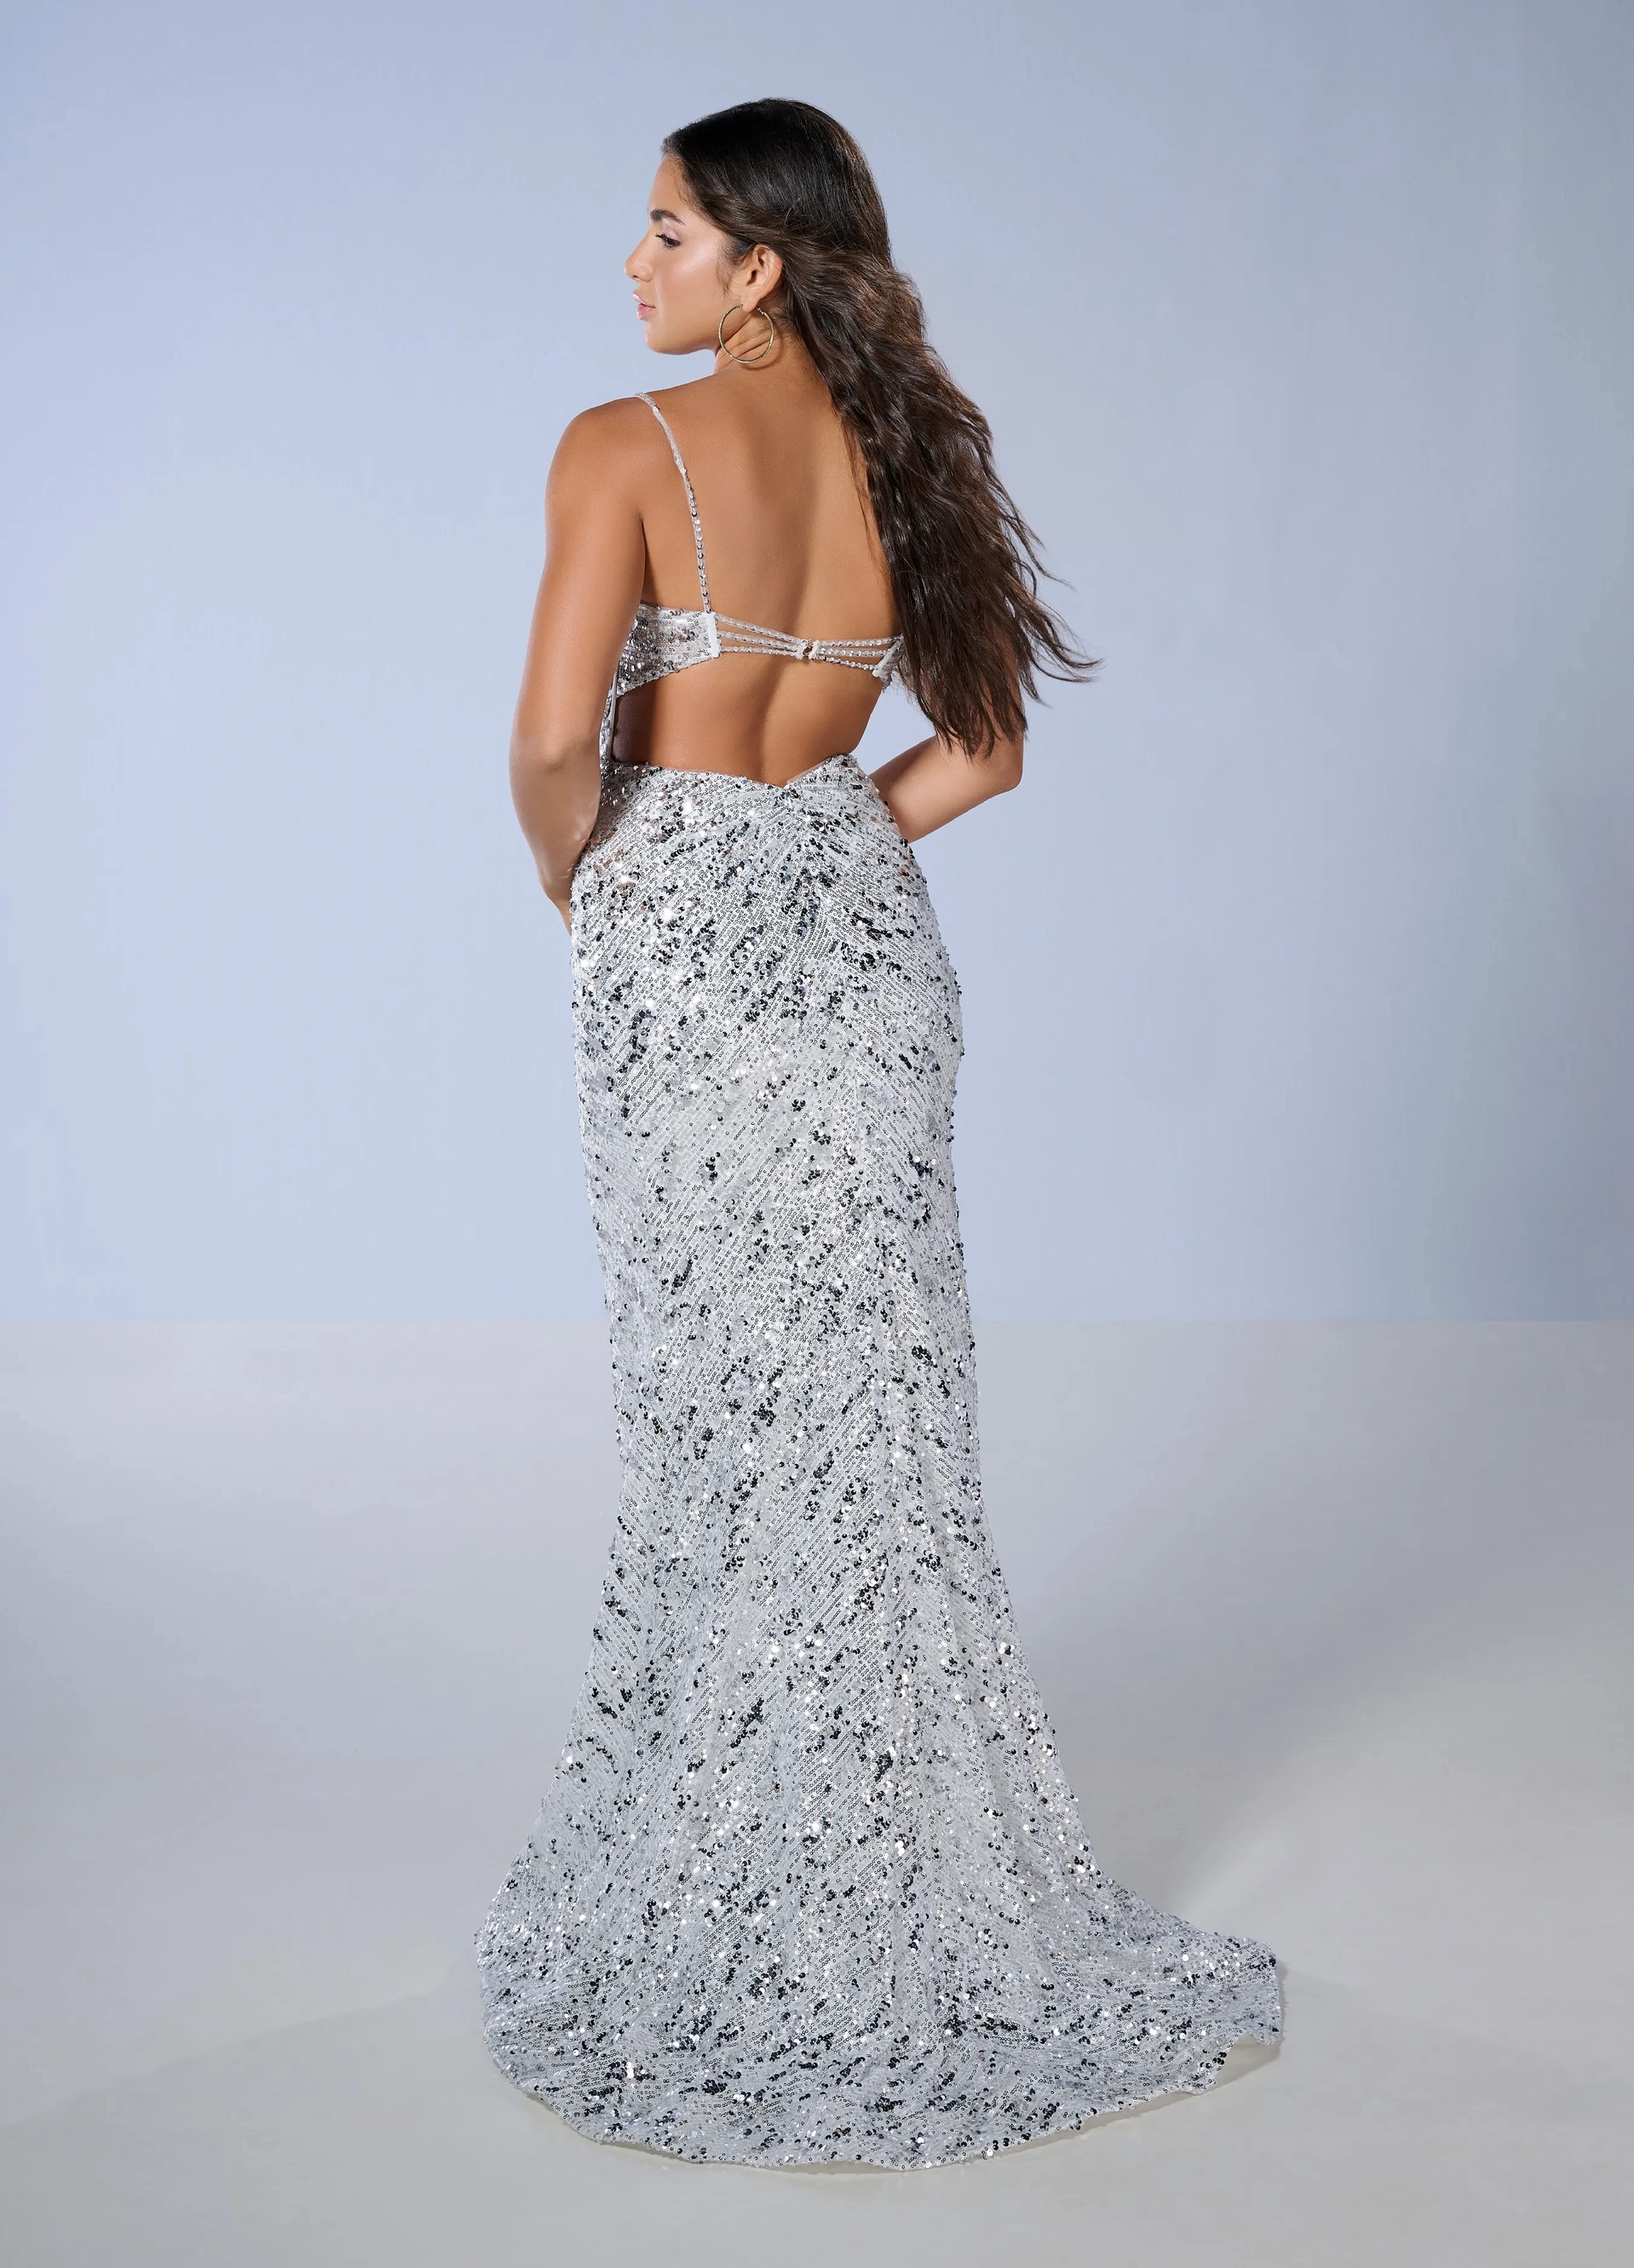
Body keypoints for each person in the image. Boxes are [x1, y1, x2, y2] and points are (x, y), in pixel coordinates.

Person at [478, 98, 1281, 2168]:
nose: (634, 264)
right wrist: (822, 840)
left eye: (666, 231)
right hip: (864, 955)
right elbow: (983, 752)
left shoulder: (618, 446)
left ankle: (748, 1894)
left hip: (682, 949)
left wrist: (610, 890)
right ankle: (892, 1884)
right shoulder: (912, 451)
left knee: (723, 1408)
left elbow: (557, 742)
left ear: (758, 264)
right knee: (873, 1417)